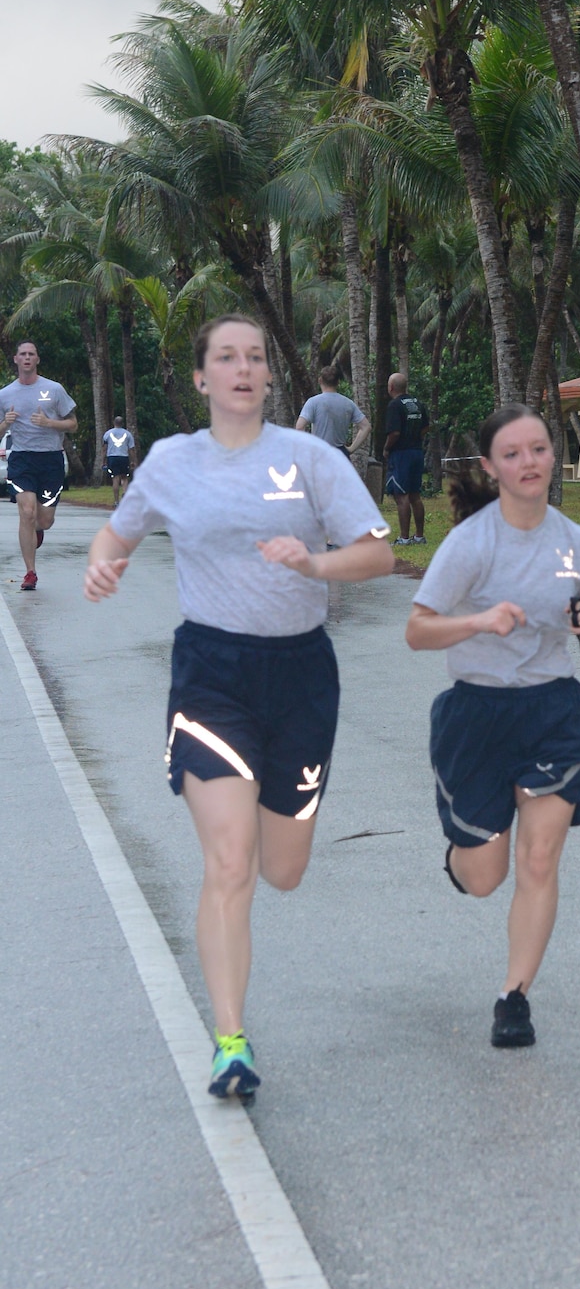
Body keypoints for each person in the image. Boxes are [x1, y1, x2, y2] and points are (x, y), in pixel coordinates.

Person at [83, 314, 394, 1101]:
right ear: (202, 377)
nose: (244, 368)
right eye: (227, 357)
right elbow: (114, 538)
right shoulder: (169, 461)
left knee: (281, 870)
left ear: (266, 376)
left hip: (300, 677)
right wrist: (102, 567)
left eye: (254, 356)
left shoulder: (310, 459)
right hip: (211, 675)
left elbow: (378, 552)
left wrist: (315, 560)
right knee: (229, 864)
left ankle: (266, 817)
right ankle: (230, 1041)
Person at [405, 403, 580, 1049]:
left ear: (553, 456)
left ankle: (514, 997)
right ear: (490, 467)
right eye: (513, 454)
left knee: (540, 855)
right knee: (484, 877)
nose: (529, 463)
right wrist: (476, 621)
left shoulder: (576, 543)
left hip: (554, 712)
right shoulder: (471, 543)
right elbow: (417, 630)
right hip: (476, 716)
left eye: (538, 450)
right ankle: (460, 856)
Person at [0, 341, 77, 590]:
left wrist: (49, 423)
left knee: (43, 520)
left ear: (37, 360)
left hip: (51, 459)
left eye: (31, 354)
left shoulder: (54, 390)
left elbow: (73, 424)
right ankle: (30, 573)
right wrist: (5, 424)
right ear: (15, 359)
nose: (26, 358)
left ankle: (37, 532)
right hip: (22, 459)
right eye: (22, 354)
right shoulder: (5, 394)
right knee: (27, 512)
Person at [383, 371, 427, 545]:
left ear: (391, 387)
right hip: (417, 451)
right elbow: (426, 427)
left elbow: (394, 432)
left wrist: (387, 448)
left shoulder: (394, 405)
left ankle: (404, 538)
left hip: (401, 454)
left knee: (402, 496)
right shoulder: (417, 403)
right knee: (415, 495)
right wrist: (414, 438)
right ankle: (419, 535)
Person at [297, 365, 371, 459]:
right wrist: (351, 449)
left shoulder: (313, 402)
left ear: (320, 380)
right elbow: (366, 427)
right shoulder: (348, 403)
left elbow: (299, 427)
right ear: (338, 383)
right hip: (340, 454)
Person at [102, 416, 135, 507]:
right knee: (124, 477)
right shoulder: (128, 434)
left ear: (114, 423)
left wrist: (103, 461)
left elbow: (104, 449)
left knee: (115, 479)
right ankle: (124, 493)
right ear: (122, 423)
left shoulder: (108, 434)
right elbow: (131, 449)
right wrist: (132, 461)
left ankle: (116, 501)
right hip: (124, 457)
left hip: (112, 458)